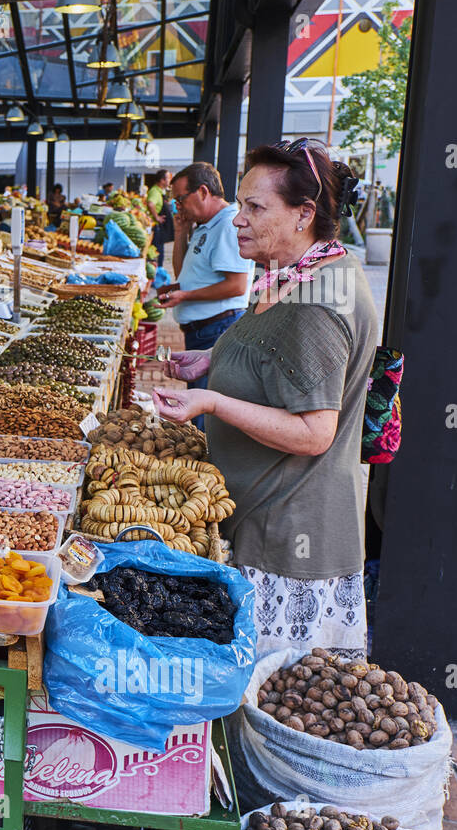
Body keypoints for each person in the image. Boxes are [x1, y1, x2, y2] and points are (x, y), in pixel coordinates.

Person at [155, 140, 375, 657]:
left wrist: (212, 403)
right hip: (263, 515)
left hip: (287, 537)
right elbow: (277, 360)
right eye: (242, 204)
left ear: (304, 213)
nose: (238, 221)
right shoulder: (299, 274)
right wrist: (215, 359)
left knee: (268, 700)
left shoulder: (317, 303)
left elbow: (315, 431)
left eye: (255, 208)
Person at [155, 162, 255, 420]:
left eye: (180, 198)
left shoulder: (227, 225)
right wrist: (180, 233)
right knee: (199, 407)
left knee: (204, 413)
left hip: (216, 330)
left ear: (202, 191)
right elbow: (181, 273)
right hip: (201, 331)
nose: (178, 206)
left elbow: (237, 286)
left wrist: (185, 296)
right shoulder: (205, 225)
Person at [145, 170, 174, 267]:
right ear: (162, 180)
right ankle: (156, 275)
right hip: (155, 227)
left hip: (159, 227)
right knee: (157, 253)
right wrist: (157, 217)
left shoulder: (160, 191)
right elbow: (150, 203)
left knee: (160, 252)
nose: (170, 180)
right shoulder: (155, 191)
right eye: (168, 178)